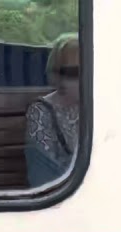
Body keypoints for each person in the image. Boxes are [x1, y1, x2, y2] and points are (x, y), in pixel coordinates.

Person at [24, 35, 81, 187]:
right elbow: (43, 177)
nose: (82, 79)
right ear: (57, 75)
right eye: (72, 72)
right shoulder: (41, 112)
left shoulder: (100, 107)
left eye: (88, 71)